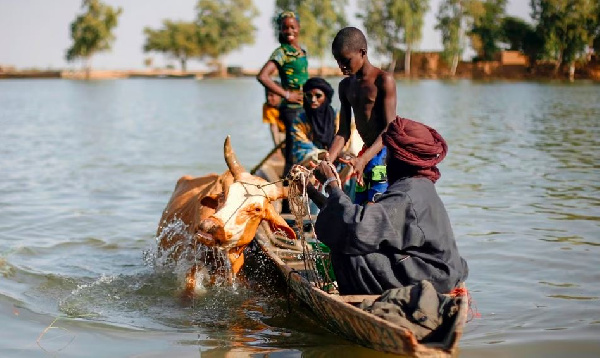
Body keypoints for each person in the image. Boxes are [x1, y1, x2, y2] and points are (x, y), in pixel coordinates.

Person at [301, 117, 469, 295]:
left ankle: (365, 304)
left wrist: (331, 183)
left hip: (431, 279)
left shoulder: (406, 194)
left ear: (398, 159)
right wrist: (313, 193)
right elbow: (359, 221)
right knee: (356, 235)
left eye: (388, 154)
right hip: (437, 273)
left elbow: (353, 228)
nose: (385, 161)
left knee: (349, 248)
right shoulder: (418, 186)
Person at [328, 27, 397, 204]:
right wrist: (328, 161)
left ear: (362, 53)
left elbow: (390, 129)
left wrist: (364, 159)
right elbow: (343, 132)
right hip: (365, 153)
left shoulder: (383, 80)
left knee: (373, 208)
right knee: (359, 204)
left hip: (383, 154)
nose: (341, 66)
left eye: (346, 61)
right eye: (338, 61)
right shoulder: (345, 87)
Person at [257, 11, 309, 177]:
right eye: (285, 28)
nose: (289, 31)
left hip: (304, 106)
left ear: (299, 28)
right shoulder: (281, 52)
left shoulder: (300, 51)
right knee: (293, 157)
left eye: (292, 27)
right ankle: (288, 198)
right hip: (292, 109)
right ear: (280, 30)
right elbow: (263, 76)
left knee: (303, 151)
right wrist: (287, 94)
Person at [291, 77, 337, 166]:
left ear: (326, 97)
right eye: (309, 96)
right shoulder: (299, 122)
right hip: (312, 164)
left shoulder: (339, 117)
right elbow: (301, 150)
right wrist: (322, 156)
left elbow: (347, 143)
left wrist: (335, 154)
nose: (313, 100)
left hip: (339, 161)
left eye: (318, 96)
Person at [262, 80, 285, 148]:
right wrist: (277, 146)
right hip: (282, 133)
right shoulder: (267, 107)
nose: (269, 98)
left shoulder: (289, 104)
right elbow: (273, 126)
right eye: (267, 95)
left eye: (272, 95)